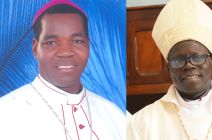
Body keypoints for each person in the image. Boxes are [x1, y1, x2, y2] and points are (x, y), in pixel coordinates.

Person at [0, 1, 125, 140]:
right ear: (35, 48)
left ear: (88, 46)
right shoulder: (5, 113)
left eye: (77, 41)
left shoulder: (115, 116)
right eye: (51, 43)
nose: (65, 52)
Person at [127, 0, 212, 139]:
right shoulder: (142, 122)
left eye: (197, 57)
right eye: (178, 60)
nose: (189, 65)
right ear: (169, 68)